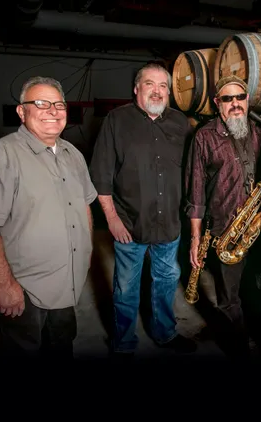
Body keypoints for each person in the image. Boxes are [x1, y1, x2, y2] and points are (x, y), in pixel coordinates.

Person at [0, 76, 97, 361]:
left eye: (59, 104)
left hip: (65, 282)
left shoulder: (73, 154)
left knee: (61, 348)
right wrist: (5, 286)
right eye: (40, 103)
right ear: (21, 112)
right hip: (24, 291)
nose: (52, 111)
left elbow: (85, 205)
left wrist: (84, 256)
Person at [89, 61, 196, 358]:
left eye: (163, 86)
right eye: (150, 84)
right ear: (137, 89)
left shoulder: (181, 123)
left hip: (170, 225)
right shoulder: (116, 120)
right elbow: (100, 174)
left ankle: (164, 333)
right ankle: (123, 342)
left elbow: (193, 173)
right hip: (129, 224)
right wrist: (111, 218)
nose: (157, 91)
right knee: (126, 288)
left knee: (166, 283)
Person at [185, 75, 261, 358]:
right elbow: (195, 191)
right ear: (217, 103)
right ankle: (238, 346)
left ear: (248, 100)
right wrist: (195, 239)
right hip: (226, 231)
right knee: (228, 298)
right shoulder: (204, 136)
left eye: (240, 97)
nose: (235, 103)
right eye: (227, 98)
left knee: (258, 290)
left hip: (260, 228)